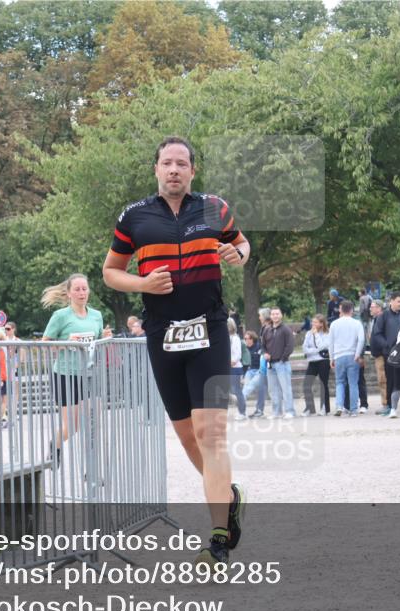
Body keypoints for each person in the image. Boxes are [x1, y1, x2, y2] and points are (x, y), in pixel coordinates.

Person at [101, 136, 249, 568]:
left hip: (210, 328)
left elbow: (242, 246)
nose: (174, 170)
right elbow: (111, 273)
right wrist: (143, 284)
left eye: (181, 163)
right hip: (162, 334)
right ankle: (229, 496)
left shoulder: (215, 208)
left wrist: (235, 254)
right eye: (167, 163)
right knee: (187, 436)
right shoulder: (134, 217)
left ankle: (218, 538)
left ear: (192, 171)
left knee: (211, 433)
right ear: (156, 169)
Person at [42, 273, 112, 457]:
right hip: (65, 374)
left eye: (84, 289)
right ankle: (55, 444)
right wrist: (65, 344)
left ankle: (93, 469)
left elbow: (96, 340)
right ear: (69, 293)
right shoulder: (60, 316)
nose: (82, 293)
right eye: (77, 289)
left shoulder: (96, 316)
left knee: (94, 423)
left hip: (88, 374)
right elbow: (45, 342)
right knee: (72, 427)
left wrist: (104, 338)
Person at [372, 291, 400, 416]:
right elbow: (377, 334)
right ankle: (389, 405)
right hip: (390, 354)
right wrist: (387, 345)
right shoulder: (383, 316)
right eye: (399, 301)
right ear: (392, 301)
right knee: (390, 380)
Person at [328, 300, 364, 417]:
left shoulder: (334, 324)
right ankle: (353, 410)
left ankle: (339, 406)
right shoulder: (357, 323)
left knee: (339, 383)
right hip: (352, 355)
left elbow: (331, 343)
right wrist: (357, 354)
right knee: (353, 383)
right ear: (352, 310)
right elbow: (362, 340)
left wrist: (331, 358)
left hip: (339, 356)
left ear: (340, 309)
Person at [262, 306, 296, 419]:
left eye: (277, 314)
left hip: (282, 364)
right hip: (270, 365)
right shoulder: (267, 329)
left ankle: (290, 411)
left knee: (286, 388)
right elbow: (263, 346)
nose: (275, 316)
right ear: (270, 316)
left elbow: (290, 346)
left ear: (281, 315)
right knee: (273, 390)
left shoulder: (286, 329)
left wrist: (282, 359)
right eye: (273, 314)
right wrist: (265, 353)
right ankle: (276, 412)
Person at [301, 314, 331, 416]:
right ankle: (310, 408)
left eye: (315, 322)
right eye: (312, 322)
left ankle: (324, 408)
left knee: (323, 384)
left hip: (323, 361)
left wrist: (316, 335)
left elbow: (322, 346)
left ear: (321, 324)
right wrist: (315, 350)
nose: (313, 324)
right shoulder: (309, 333)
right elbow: (305, 348)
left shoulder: (327, 333)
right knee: (306, 384)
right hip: (312, 361)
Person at [368, 299, 389, 414]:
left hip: (382, 354)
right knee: (381, 380)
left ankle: (386, 404)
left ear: (379, 308)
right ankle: (386, 403)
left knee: (383, 379)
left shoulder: (382, 319)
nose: (371, 308)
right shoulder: (376, 319)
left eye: (373, 306)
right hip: (378, 354)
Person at [241, 329, 267, 418]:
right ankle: (242, 412)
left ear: (253, 339)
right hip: (249, 371)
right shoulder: (244, 349)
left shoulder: (259, 347)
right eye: (245, 339)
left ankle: (259, 411)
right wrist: (243, 376)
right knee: (245, 389)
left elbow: (263, 361)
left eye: (248, 338)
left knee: (256, 389)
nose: (246, 340)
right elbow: (243, 363)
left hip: (259, 371)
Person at [228, 320, 247, 421]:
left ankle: (242, 412)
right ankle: (241, 410)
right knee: (232, 390)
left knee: (236, 390)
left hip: (234, 368)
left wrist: (231, 361)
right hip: (229, 367)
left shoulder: (235, 338)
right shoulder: (228, 338)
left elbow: (237, 355)